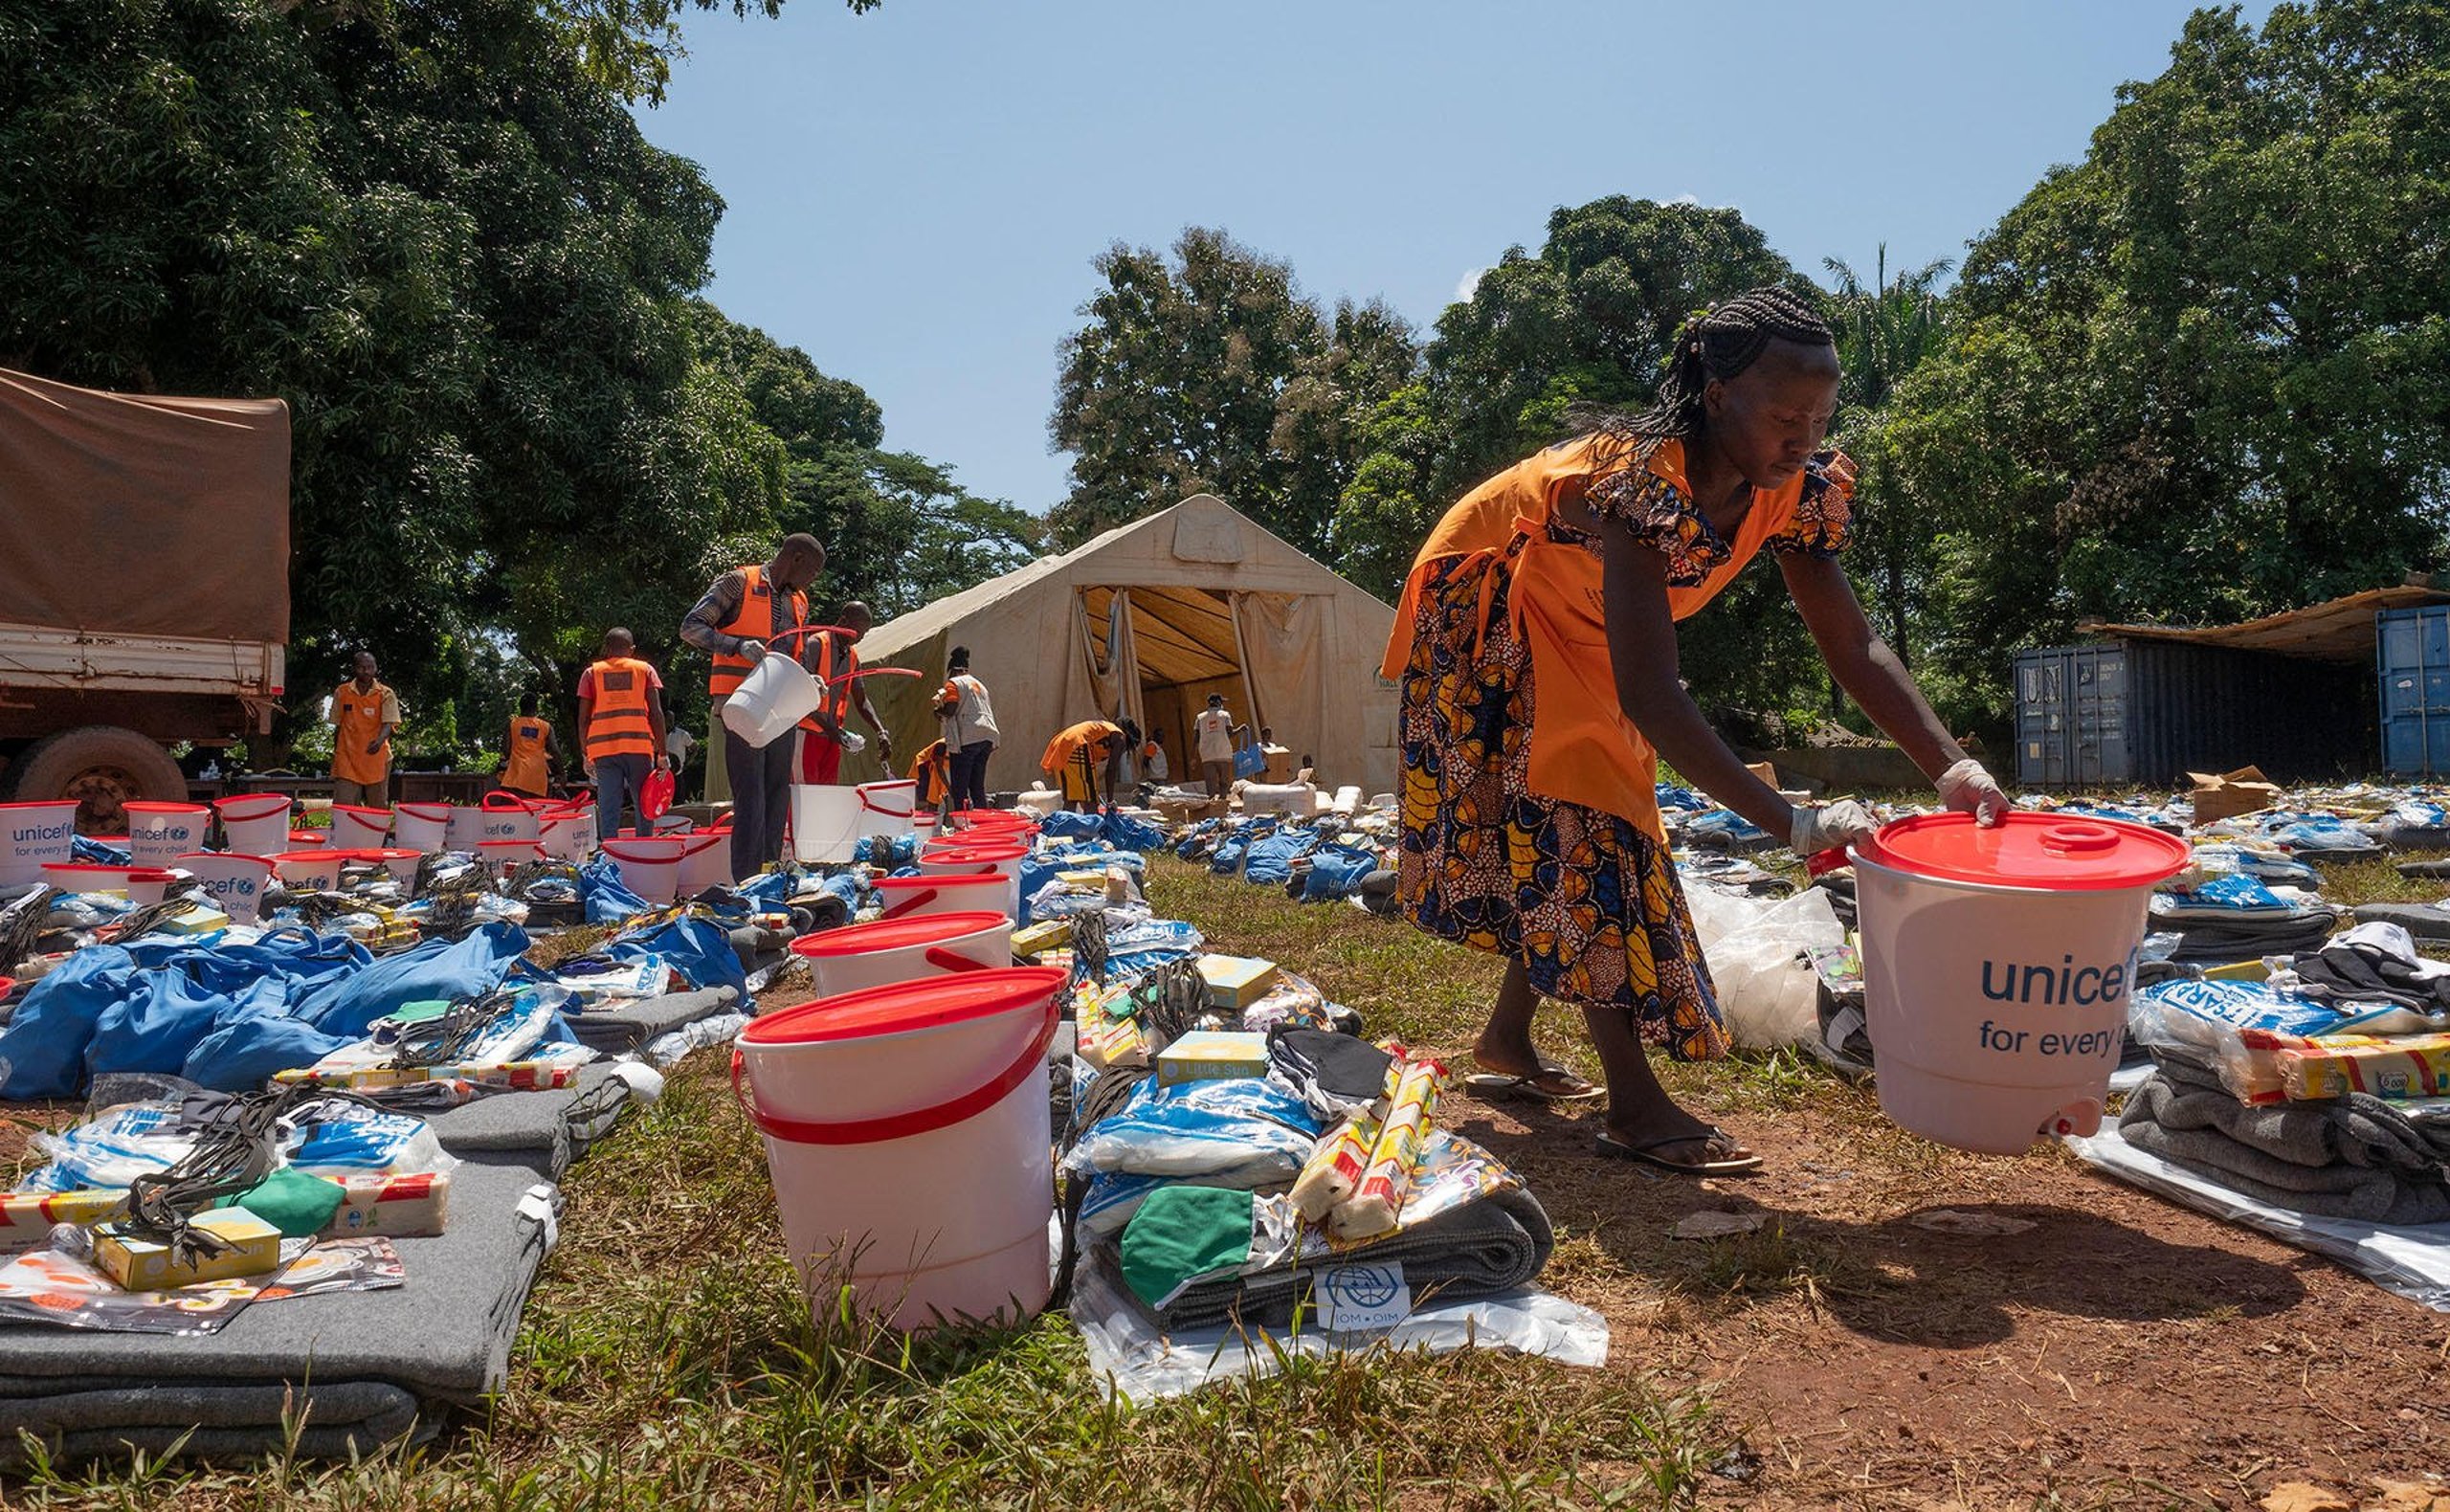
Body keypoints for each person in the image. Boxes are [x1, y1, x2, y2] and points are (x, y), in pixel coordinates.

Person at [1387, 287, 2011, 1176]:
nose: (1804, 439)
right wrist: (1792, 823)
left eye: (1821, 418)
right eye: (1785, 417)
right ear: (1717, 397)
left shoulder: (1794, 491)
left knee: (1578, 824)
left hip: (1585, 626)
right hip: (1491, 608)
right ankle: (1636, 1107)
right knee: (1591, 819)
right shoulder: (1636, 484)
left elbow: (1852, 643)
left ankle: (1507, 1039)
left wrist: (1954, 769)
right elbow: (1651, 693)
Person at [680, 533, 826, 881]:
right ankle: (747, 879)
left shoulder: (799, 602)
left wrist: (810, 679)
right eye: (813, 571)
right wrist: (736, 645)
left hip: (781, 708)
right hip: (742, 706)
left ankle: (769, 872)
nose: (813, 580)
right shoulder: (738, 582)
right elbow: (691, 628)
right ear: (796, 558)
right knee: (751, 795)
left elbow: (796, 655)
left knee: (777, 793)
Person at [578, 628, 670, 841]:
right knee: (644, 802)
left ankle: (609, 850)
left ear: (606, 649)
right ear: (632, 649)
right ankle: (644, 847)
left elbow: (583, 719)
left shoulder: (591, 674)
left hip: (603, 751)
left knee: (609, 803)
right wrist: (663, 753)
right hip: (638, 748)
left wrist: (585, 754)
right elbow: (656, 714)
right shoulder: (645, 670)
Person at [797, 601, 894, 786]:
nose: (860, 638)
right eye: (858, 632)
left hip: (832, 737)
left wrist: (880, 731)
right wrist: (829, 729)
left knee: (828, 793)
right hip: (807, 733)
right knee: (804, 792)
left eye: (864, 633)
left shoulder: (852, 656)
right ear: (843, 621)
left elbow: (861, 700)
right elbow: (799, 693)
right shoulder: (816, 645)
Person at [327, 652, 401, 807]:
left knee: (378, 805)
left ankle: (377, 824)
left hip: (376, 757)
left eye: (370, 667)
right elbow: (338, 726)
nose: (366, 671)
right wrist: (336, 754)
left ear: (376, 669)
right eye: (362, 667)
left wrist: (379, 742)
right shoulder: (342, 692)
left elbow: (388, 724)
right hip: (347, 757)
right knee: (344, 805)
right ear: (354, 669)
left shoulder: (386, 694)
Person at [935, 646, 999, 816]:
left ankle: (961, 824)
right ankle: (982, 823)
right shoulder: (979, 685)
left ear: (952, 670)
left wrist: (938, 711)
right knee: (977, 786)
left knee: (960, 787)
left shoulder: (954, 683)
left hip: (968, 737)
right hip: (987, 736)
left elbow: (950, 710)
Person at [1042, 718, 1132, 812]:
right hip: (1076, 744)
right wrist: (1110, 801)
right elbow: (1111, 769)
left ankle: (1067, 821)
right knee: (1091, 800)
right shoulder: (1120, 738)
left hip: (1062, 745)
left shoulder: (1106, 728)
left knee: (1071, 798)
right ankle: (1091, 821)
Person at [500, 694, 557, 799]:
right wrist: (561, 773)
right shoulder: (546, 727)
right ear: (536, 707)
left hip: (515, 776)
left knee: (514, 808)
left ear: (520, 707)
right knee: (536, 807)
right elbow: (555, 751)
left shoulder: (512, 724)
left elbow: (506, 749)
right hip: (537, 778)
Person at [1193, 694, 1236, 797]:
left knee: (1210, 783)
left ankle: (1211, 802)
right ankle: (1223, 801)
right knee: (1224, 782)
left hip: (1207, 755)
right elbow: (1230, 734)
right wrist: (1240, 729)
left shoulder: (1200, 717)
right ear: (1219, 702)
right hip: (1223, 753)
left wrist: (1193, 756)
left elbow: (1196, 738)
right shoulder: (1225, 715)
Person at [909, 737, 951, 812]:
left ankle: (933, 813)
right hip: (924, 765)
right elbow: (939, 768)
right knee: (930, 798)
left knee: (937, 794)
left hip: (936, 766)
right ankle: (928, 815)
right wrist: (949, 787)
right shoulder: (942, 745)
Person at [664, 723, 697, 802]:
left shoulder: (682, 734)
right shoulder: (658, 732)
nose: (669, 721)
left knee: (679, 800)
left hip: (677, 773)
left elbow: (694, 747)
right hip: (662, 774)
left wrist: (689, 761)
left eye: (671, 719)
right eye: (667, 719)